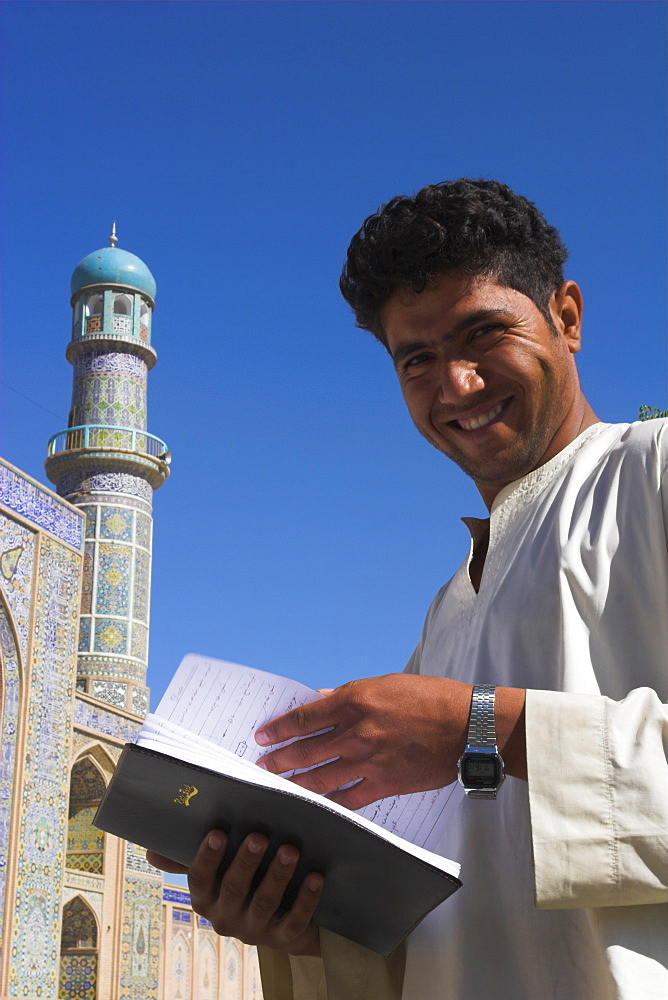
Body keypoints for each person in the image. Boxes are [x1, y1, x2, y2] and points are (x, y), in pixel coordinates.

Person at [149, 180, 668, 999]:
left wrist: (484, 729)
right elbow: (459, 913)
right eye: (417, 359)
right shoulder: (448, 610)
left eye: (484, 334)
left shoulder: (652, 473)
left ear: (566, 316)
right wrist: (298, 910)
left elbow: (485, 745)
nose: (455, 385)